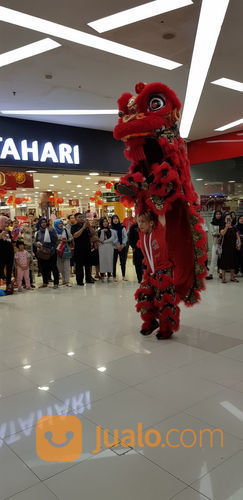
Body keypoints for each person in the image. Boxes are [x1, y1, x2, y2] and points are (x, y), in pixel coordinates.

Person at [136, 211, 179, 339]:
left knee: (164, 301)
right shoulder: (142, 234)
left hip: (164, 271)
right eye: (139, 222)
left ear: (151, 223)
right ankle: (151, 322)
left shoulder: (160, 230)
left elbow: (162, 210)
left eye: (143, 222)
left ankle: (166, 328)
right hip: (150, 272)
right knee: (143, 297)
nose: (140, 224)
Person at [34, 218, 59, 289]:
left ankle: (56, 283)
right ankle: (45, 282)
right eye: (42, 222)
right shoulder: (38, 232)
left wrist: (50, 231)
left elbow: (55, 240)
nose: (43, 224)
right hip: (42, 253)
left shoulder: (52, 230)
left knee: (54, 267)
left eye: (45, 222)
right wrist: (37, 244)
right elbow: (35, 242)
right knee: (43, 268)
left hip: (51, 252)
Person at [71, 213, 94, 285]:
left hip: (87, 247)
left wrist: (89, 226)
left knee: (88, 264)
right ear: (75, 219)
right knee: (79, 266)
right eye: (79, 217)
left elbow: (93, 233)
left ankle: (88, 278)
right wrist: (83, 227)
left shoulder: (87, 226)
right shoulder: (74, 227)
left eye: (82, 217)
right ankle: (79, 280)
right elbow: (75, 235)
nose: (81, 218)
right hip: (79, 248)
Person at [219, 215, 241, 283]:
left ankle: (232, 277)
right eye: (227, 218)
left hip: (233, 247)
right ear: (225, 220)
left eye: (229, 218)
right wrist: (226, 227)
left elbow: (238, 236)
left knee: (233, 262)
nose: (228, 220)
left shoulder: (234, 228)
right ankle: (223, 278)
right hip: (225, 248)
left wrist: (239, 243)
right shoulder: (222, 226)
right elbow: (222, 233)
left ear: (231, 220)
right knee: (224, 262)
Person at [54, 219, 72, 286]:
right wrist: (57, 240)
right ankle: (63, 280)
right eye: (59, 223)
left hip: (65, 250)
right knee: (60, 266)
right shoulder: (54, 231)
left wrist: (66, 240)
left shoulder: (65, 230)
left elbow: (71, 237)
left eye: (61, 223)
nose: (61, 225)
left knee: (67, 266)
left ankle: (67, 281)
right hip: (57, 250)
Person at [98, 217, 117, 282]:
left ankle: (109, 275)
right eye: (103, 222)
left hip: (110, 248)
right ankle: (102, 275)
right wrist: (102, 232)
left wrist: (104, 242)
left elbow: (112, 239)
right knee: (102, 261)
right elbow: (101, 239)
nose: (105, 223)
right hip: (102, 248)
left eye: (106, 221)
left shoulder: (111, 230)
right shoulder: (99, 231)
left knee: (109, 260)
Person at [206, 210, 223, 280]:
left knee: (222, 259)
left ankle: (221, 273)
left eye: (219, 214)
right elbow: (212, 233)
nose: (218, 215)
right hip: (215, 243)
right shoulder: (212, 223)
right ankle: (210, 274)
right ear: (214, 215)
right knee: (213, 258)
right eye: (217, 214)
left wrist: (220, 234)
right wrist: (219, 233)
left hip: (223, 243)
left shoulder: (224, 222)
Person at [19, 221, 36, 288]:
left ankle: (30, 282)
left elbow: (33, 239)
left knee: (30, 266)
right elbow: (19, 239)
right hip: (23, 250)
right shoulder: (21, 233)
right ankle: (23, 282)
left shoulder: (32, 231)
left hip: (29, 249)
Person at [111, 215, 128, 281]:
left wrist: (122, 245)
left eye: (116, 218)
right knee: (114, 262)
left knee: (123, 261)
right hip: (114, 247)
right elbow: (112, 238)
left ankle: (124, 275)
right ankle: (114, 276)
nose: (115, 220)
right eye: (114, 219)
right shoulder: (111, 228)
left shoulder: (122, 228)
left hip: (122, 247)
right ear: (112, 220)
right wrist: (117, 245)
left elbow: (125, 237)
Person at [0, 215, 14, 292]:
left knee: (9, 270)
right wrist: (2, 234)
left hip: (10, 253)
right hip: (1, 254)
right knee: (1, 269)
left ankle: (8, 286)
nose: (7, 224)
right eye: (5, 222)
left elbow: (11, 240)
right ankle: (3, 280)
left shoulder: (8, 230)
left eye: (7, 223)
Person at [128, 217, 144, 283]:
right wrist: (133, 247)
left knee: (144, 264)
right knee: (137, 264)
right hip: (136, 249)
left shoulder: (145, 225)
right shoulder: (133, 227)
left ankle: (145, 278)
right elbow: (130, 239)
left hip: (144, 249)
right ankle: (139, 279)